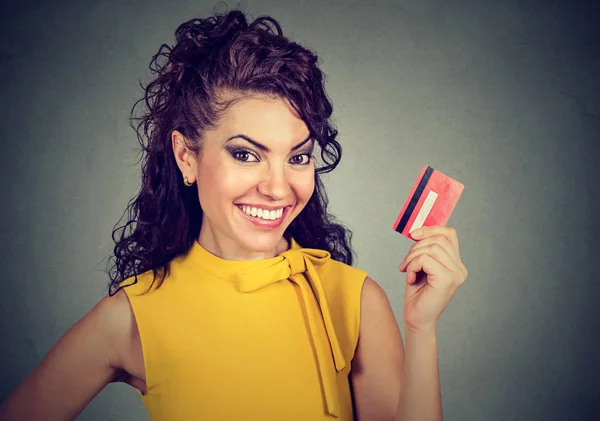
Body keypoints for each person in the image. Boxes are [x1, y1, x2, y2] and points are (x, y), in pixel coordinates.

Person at [0, 9, 468, 421]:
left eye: (298, 157)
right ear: (186, 157)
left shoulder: (356, 300)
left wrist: (421, 330)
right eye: (246, 155)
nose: (278, 187)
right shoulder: (131, 318)